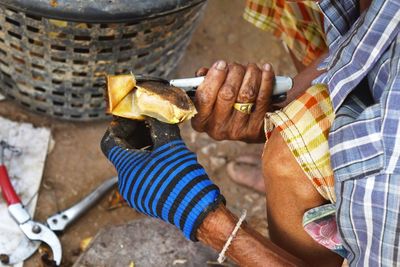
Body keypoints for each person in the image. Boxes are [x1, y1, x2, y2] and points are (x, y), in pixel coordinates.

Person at [101, 0, 400, 266]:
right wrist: (279, 100)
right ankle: (324, 192)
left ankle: (331, 202)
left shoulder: (389, 169)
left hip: (385, 192)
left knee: (288, 157)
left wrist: (205, 218)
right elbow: (368, 43)